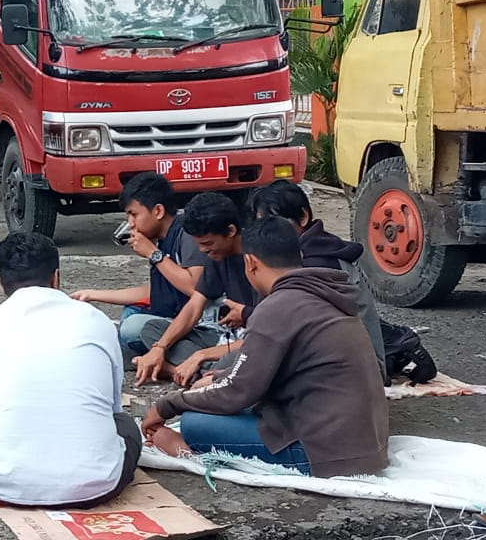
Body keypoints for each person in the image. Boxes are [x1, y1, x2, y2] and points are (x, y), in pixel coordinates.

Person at [142, 217, 389, 478]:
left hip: (323, 453)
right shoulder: (323, 292)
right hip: (366, 446)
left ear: (250, 263)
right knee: (214, 394)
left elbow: (239, 392)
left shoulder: (276, 307)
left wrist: (167, 405)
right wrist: (220, 377)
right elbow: (267, 373)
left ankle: (188, 454)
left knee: (193, 423)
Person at [0, 232, 141, 507]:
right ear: (56, 278)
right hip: (97, 485)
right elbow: (113, 407)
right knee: (126, 425)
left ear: (1, 284)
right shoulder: (95, 321)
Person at [248, 180, 386, 379]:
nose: (270, 232)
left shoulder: (317, 263)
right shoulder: (312, 250)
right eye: (263, 224)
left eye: (275, 222)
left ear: (303, 217)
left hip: (356, 373)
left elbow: (282, 333)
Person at [71, 173, 206, 355]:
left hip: (199, 322)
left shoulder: (186, 234)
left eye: (134, 215)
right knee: (131, 313)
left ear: (158, 211)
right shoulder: (162, 240)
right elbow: (154, 292)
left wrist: (153, 254)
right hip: (168, 316)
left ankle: (166, 354)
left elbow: (195, 288)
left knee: (132, 328)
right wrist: (92, 294)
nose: (131, 224)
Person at [135, 192, 258, 386]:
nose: (203, 251)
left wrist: (200, 355)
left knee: (244, 358)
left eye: (208, 243)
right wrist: (160, 347)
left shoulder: (257, 260)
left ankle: (191, 373)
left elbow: (265, 338)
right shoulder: (217, 257)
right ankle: (201, 375)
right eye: (198, 244)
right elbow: (194, 306)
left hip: (252, 343)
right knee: (152, 330)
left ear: (231, 231)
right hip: (223, 338)